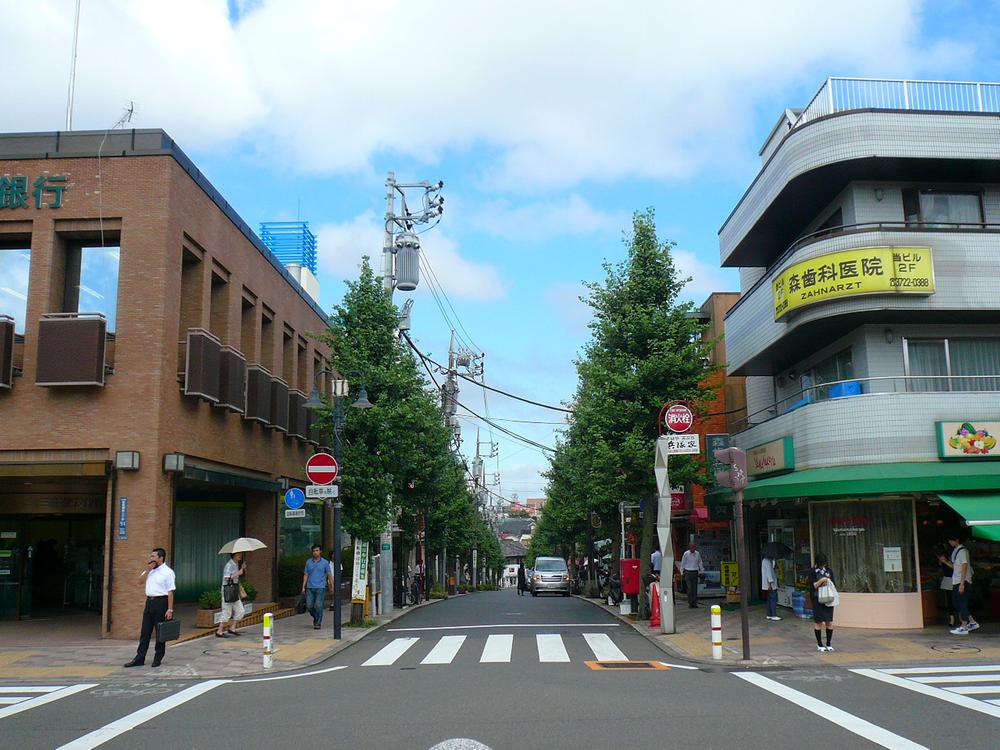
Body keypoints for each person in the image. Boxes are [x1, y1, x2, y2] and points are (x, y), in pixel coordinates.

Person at [124, 547, 175, 668]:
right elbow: (139, 581)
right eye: (151, 556)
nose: (151, 559)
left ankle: (158, 657)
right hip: (150, 602)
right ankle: (139, 658)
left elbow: (170, 592)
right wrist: (147, 570)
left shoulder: (168, 572)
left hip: (161, 602)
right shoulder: (150, 570)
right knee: (145, 631)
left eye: (153, 556)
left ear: (160, 558)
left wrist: (170, 609)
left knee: (160, 632)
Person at [940, 533, 980, 635]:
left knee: (961, 602)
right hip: (957, 580)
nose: (950, 542)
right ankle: (971, 622)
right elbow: (956, 567)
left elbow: (964, 566)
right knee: (958, 603)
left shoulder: (962, 551)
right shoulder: (956, 551)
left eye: (951, 540)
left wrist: (962, 583)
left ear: (957, 539)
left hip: (962, 581)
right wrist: (945, 562)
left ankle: (964, 626)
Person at [809, 553, 836, 652]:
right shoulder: (812, 572)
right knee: (818, 622)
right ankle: (819, 644)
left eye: (824, 563)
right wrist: (821, 581)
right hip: (817, 599)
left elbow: (834, 584)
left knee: (829, 622)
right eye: (821, 564)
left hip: (828, 599)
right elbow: (813, 586)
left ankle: (829, 643)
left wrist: (828, 581)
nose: (823, 566)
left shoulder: (829, 571)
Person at [301, 545, 332, 630]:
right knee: (309, 605)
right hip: (310, 587)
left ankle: (318, 622)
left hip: (320, 587)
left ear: (320, 551)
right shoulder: (308, 562)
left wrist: (332, 586)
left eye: (317, 550)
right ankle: (315, 617)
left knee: (318, 605)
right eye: (314, 551)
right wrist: (303, 587)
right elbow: (306, 574)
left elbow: (329, 575)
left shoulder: (325, 563)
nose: (315, 552)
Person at [216, 552, 246, 638]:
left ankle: (232, 627)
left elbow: (234, 578)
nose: (240, 556)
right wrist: (239, 573)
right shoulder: (229, 565)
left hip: (234, 590)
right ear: (234, 555)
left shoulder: (236, 564)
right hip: (228, 591)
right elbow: (226, 577)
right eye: (238, 554)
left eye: (240, 554)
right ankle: (219, 631)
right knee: (227, 611)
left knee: (241, 610)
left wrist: (242, 569)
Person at [680, 541, 704, 608]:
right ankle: (690, 602)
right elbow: (683, 563)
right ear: (689, 547)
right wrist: (682, 572)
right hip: (688, 571)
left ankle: (694, 602)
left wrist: (702, 571)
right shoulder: (686, 554)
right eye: (691, 547)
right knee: (689, 588)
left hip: (695, 571)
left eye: (694, 547)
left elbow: (700, 562)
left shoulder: (697, 554)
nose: (692, 548)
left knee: (694, 588)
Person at [762, 554, 780, 621]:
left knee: (769, 599)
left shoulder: (766, 561)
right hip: (771, 584)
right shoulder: (767, 561)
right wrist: (770, 584)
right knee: (773, 599)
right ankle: (773, 615)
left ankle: (769, 614)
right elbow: (769, 573)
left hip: (769, 584)